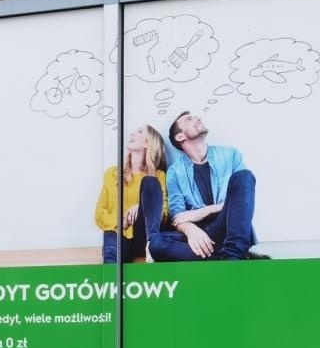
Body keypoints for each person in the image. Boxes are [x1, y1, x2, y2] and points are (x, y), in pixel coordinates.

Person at [151, 111, 261, 261]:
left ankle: (232, 256)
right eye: (189, 119)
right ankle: (221, 257)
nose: (197, 118)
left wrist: (204, 211)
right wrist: (190, 229)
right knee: (156, 243)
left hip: (230, 229)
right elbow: (178, 216)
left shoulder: (231, 155)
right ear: (180, 136)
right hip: (201, 235)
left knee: (245, 176)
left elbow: (242, 202)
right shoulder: (175, 171)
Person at [94, 126, 168, 263]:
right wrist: (120, 223)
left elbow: (164, 213)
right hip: (119, 234)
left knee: (150, 183)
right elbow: (100, 214)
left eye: (140, 132)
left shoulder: (158, 176)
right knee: (110, 236)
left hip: (143, 237)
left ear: (148, 144)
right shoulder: (112, 174)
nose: (132, 133)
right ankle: (110, 271)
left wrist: (140, 207)